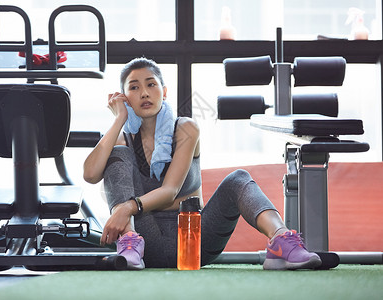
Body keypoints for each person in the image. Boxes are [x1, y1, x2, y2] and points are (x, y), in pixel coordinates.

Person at [83, 57, 322, 270]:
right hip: (143, 241)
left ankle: (281, 241)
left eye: (151, 84)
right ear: (124, 98)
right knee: (118, 154)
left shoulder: (186, 128)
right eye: (134, 87)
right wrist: (119, 120)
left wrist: (126, 208)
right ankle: (129, 240)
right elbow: (91, 174)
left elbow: (170, 191)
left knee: (238, 178)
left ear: (164, 92)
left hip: (194, 240)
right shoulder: (124, 138)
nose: (144, 92)